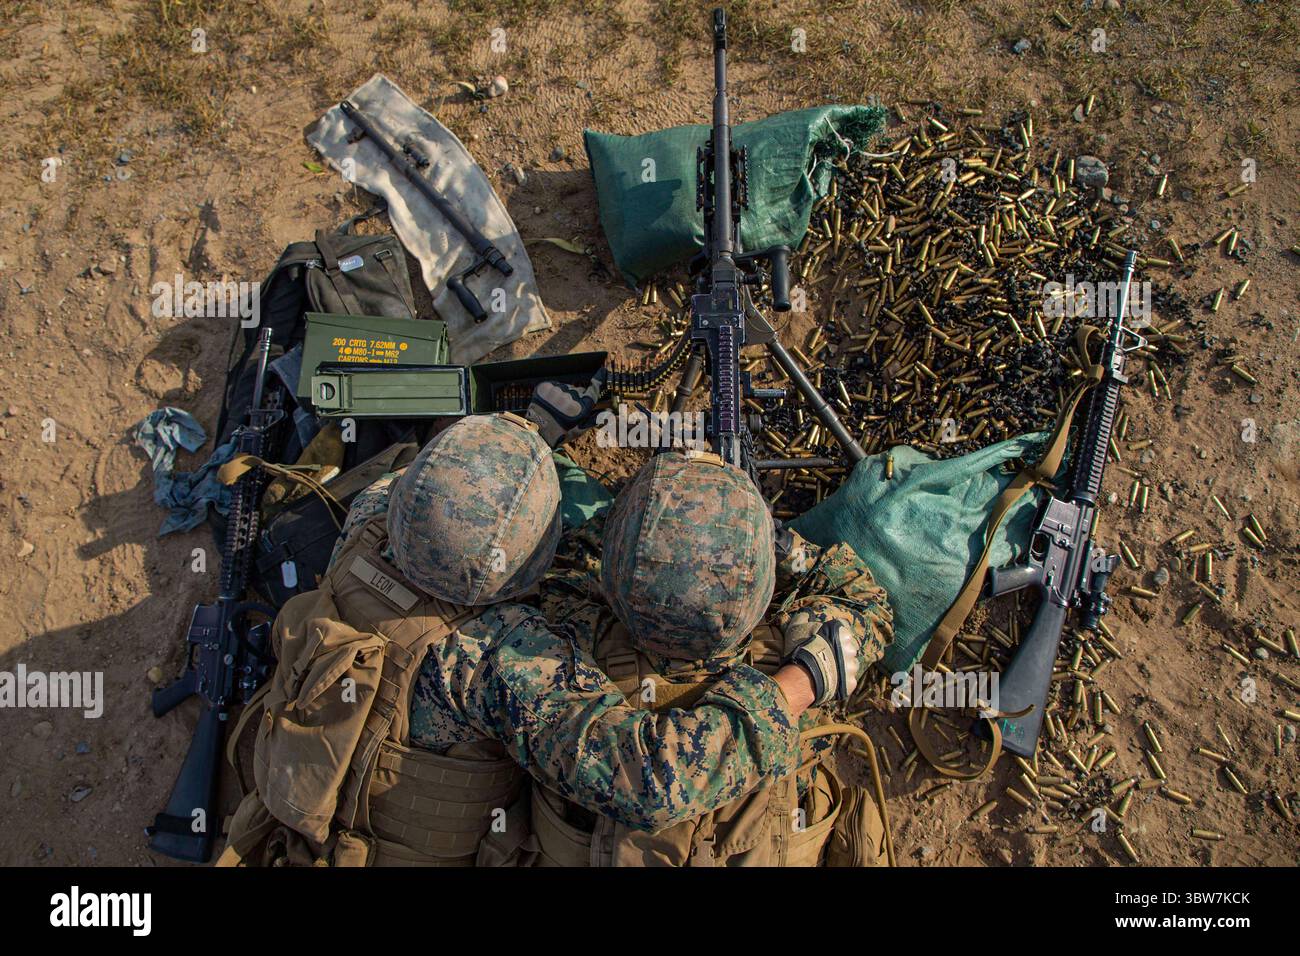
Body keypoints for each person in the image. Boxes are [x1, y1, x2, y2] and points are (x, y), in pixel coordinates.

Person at [219, 409, 864, 866]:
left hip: (301, 821)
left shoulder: (363, 532)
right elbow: (651, 781)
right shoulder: (497, 660)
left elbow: (427, 493)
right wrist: (798, 683)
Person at [530, 449, 896, 866]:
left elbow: (567, 562)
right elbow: (862, 597)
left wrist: (644, 523)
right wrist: (770, 540)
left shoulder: (569, 645)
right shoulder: (804, 677)